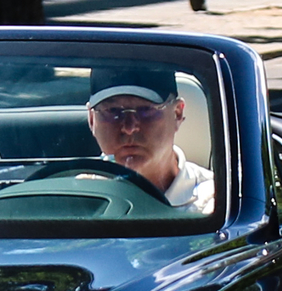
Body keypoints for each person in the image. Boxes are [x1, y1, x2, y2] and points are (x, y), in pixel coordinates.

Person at [84, 62, 214, 214]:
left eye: (146, 110)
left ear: (177, 114)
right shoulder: (75, 200)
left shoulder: (216, 205)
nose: (129, 127)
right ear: (92, 119)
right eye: (113, 111)